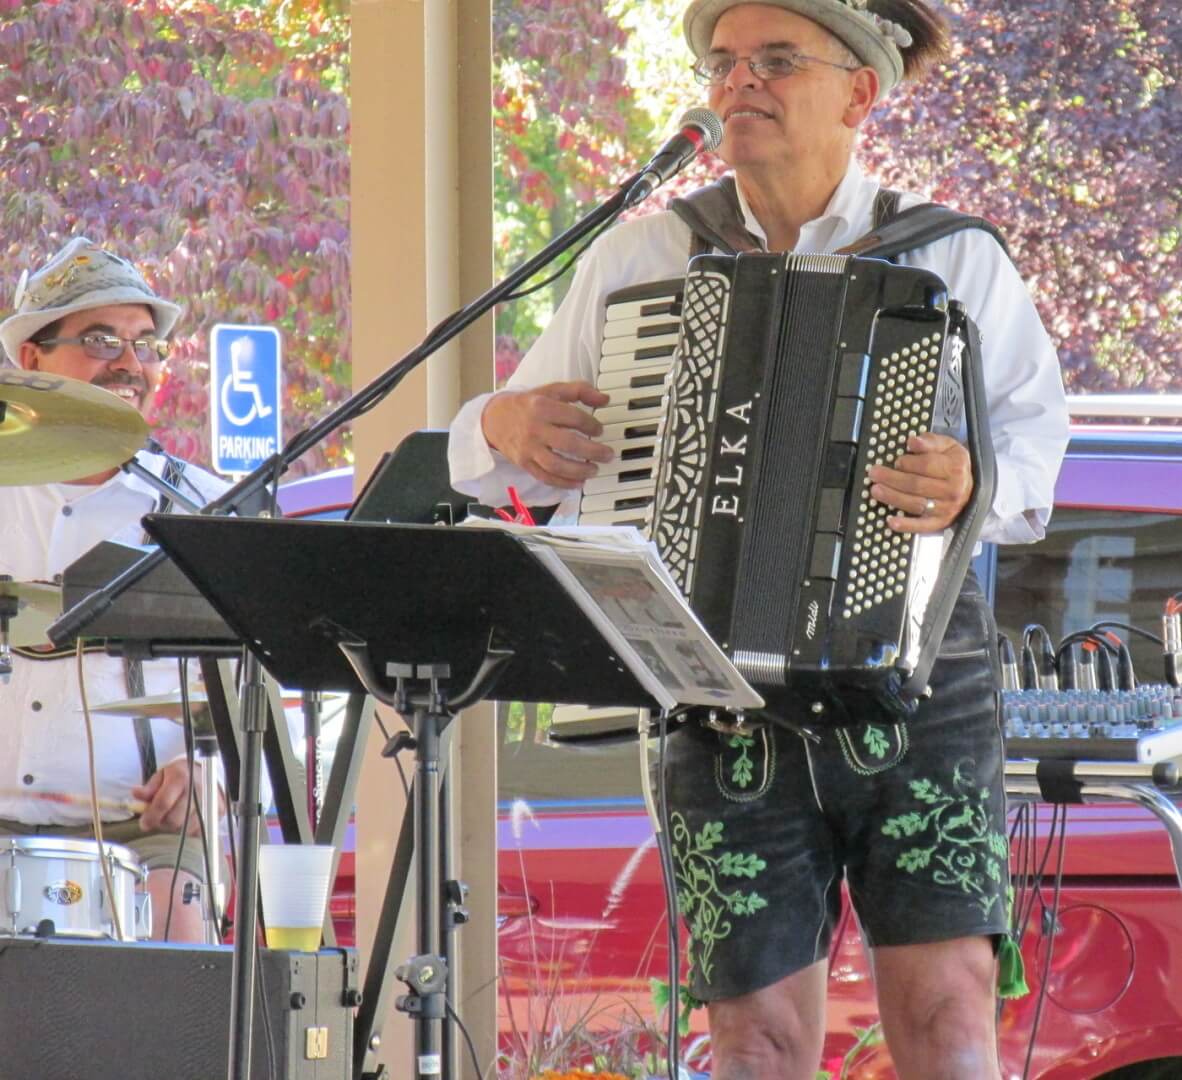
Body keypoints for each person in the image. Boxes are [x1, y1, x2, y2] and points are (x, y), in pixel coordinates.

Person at [449, 1, 1070, 1076]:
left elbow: (1033, 441)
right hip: (712, 686)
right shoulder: (648, 254)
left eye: (776, 62)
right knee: (755, 1031)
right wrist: (499, 423)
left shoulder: (953, 258)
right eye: (725, 62)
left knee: (947, 1011)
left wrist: (978, 478)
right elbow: (509, 455)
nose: (740, 84)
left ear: (859, 92)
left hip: (918, 682)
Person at [0, 237, 228, 943]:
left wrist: (204, 766)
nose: (131, 364)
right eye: (101, 340)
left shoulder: (202, 508)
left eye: (145, 343)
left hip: (143, 831)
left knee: (183, 994)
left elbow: (256, 684)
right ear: (31, 359)